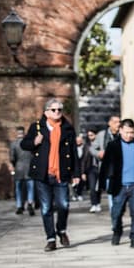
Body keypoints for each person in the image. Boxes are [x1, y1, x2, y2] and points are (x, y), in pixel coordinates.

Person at [21, 98, 80, 252]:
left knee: (64, 205)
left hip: (62, 173)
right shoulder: (37, 127)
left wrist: (77, 173)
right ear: (46, 111)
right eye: (53, 110)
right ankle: (51, 238)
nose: (57, 112)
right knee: (46, 208)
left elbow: (73, 152)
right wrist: (35, 141)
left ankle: (61, 230)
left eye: (59, 110)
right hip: (43, 174)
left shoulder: (68, 128)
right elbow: (24, 144)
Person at [99, 118, 134, 249]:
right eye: (127, 132)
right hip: (119, 186)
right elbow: (105, 166)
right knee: (116, 213)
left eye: (132, 132)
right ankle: (117, 231)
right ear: (120, 130)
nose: (129, 135)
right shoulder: (113, 145)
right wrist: (101, 185)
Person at [10, 126, 35, 215]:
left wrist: (15, 165)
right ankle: (30, 204)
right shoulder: (29, 143)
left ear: (17, 133)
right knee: (30, 188)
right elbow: (33, 156)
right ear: (24, 133)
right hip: (29, 168)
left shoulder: (13, 144)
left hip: (19, 168)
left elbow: (12, 158)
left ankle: (19, 206)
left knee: (18, 188)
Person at [86, 129, 102, 213]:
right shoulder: (87, 145)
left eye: (92, 135)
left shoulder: (100, 144)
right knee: (92, 188)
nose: (90, 137)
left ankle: (98, 203)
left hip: (99, 167)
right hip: (91, 168)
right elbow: (84, 159)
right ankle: (93, 204)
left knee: (98, 188)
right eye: (89, 135)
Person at [74, 133, 90, 201]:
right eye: (77, 141)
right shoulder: (73, 148)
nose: (78, 142)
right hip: (75, 167)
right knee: (74, 182)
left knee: (81, 181)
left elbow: (86, 159)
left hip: (83, 167)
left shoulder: (85, 147)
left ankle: (79, 194)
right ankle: (74, 194)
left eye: (80, 141)